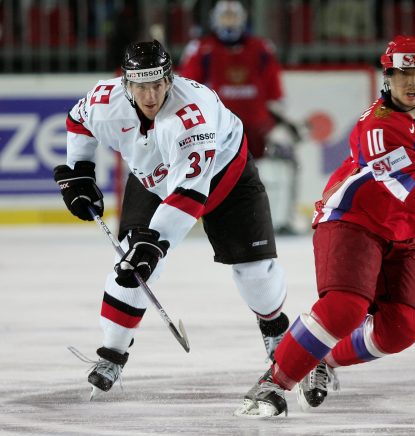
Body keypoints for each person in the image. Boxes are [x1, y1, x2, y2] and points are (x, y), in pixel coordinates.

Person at [234, 35, 415, 418]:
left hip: (403, 230)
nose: (411, 82)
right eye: (402, 73)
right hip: (353, 218)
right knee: (345, 308)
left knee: (402, 327)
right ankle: (271, 384)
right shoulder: (379, 128)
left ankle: (321, 359)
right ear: (387, 75)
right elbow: (414, 187)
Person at [54, 40, 290, 398]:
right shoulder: (106, 101)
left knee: (255, 270)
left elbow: (190, 195)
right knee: (131, 264)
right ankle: (111, 354)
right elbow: (78, 121)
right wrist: (82, 171)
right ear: (125, 85)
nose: (150, 96)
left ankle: (275, 329)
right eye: (140, 86)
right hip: (152, 177)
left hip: (226, 179)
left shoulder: (192, 114)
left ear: (170, 79)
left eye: (158, 84)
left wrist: (156, 243)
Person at [178, 0, 302, 234]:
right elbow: (187, 90)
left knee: (288, 157)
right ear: (215, 20)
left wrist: (282, 122)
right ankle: (189, 215)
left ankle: (285, 216)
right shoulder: (201, 48)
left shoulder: (261, 48)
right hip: (218, 129)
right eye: (225, 18)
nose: (229, 23)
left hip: (259, 128)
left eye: (233, 18)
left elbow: (275, 94)